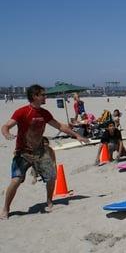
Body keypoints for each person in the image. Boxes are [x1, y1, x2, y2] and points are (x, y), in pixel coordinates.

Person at [1, 84, 89, 219]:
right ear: (35, 96)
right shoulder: (22, 111)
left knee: (51, 177)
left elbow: (59, 125)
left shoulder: (44, 113)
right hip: (23, 153)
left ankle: (49, 201)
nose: (45, 97)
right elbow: (6, 125)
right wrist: (6, 133)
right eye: (43, 94)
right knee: (16, 180)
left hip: (40, 151)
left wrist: (76, 135)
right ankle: (6, 209)